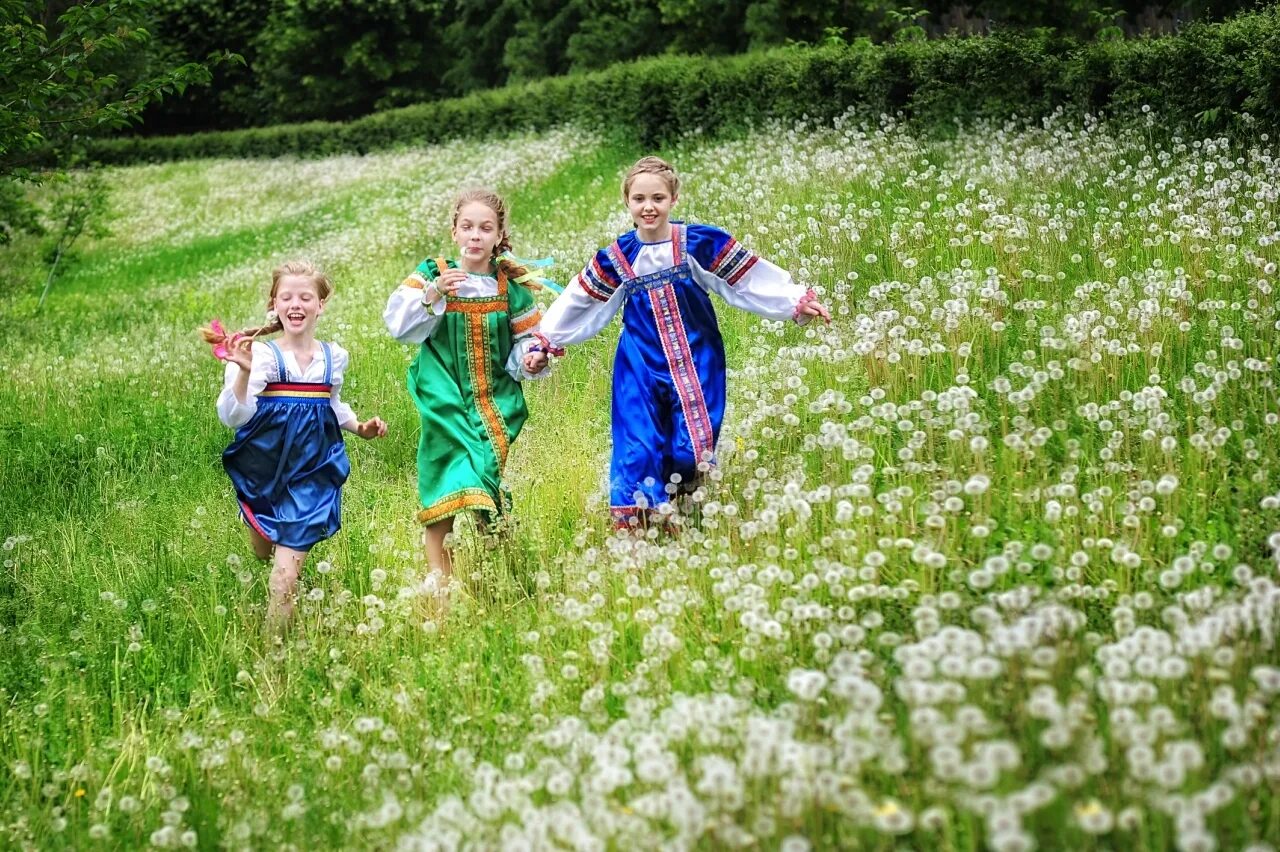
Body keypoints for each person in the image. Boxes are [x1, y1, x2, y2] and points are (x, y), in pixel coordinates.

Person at [540, 156, 830, 529]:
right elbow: (580, 301)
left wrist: (795, 301)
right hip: (639, 366)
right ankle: (635, 532)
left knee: (691, 448)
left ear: (673, 199)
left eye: (658, 198)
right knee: (638, 444)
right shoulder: (617, 258)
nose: (649, 207)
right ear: (627, 202)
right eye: (640, 199)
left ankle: (681, 513)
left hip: (696, 361)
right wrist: (544, 341)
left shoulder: (696, 243)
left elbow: (745, 281)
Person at [203, 260, 387, 628]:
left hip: (312, 471)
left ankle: (276, 659)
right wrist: (243, 372)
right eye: (286, 297)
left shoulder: (333, 357)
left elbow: (331, 405)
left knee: (283, 580)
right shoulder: (261, 356)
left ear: (322, 304)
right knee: (262, 551)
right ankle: (259, 523)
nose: (295, 304)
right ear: (274, 304)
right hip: (263, 469)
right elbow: (233, 416)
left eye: (306, 297)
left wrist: (359, 427)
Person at [384, 189, 552, 584]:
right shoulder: (433, 273)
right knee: (445, 474)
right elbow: (400, 327)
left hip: (495, 401)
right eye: (467, 227)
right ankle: (439, 580)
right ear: (455, 232)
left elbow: (528, 341)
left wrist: (532, 357)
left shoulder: (509, 288)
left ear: (499, 235)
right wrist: (435, 292)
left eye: (485, 228)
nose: (475, 235)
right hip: (443, 396)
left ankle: (503, 573)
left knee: (484, 478)